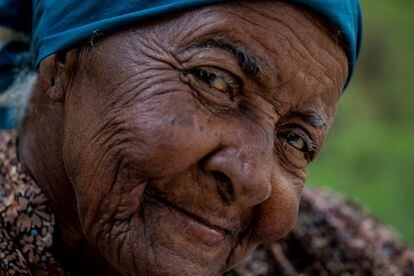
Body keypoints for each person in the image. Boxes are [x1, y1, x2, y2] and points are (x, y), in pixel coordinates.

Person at [1, 0, 412, 275]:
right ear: (63, 61)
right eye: (213, 80)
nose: (253, 180)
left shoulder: (325, 247)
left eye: (295, 139)